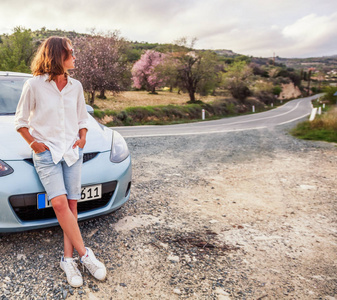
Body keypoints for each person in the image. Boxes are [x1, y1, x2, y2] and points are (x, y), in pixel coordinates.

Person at [14, 36, 106, 287]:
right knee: (59, 203)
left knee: (73, 206)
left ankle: (68, 259)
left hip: (72, 152)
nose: (75, 56)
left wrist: (83, 137)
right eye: (71, 52)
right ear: (58, 55)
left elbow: (82, 117)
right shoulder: (33, 85)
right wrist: (34, 143)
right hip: (46, 154)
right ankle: (86, 255)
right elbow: (20, 121)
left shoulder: (76, 85)